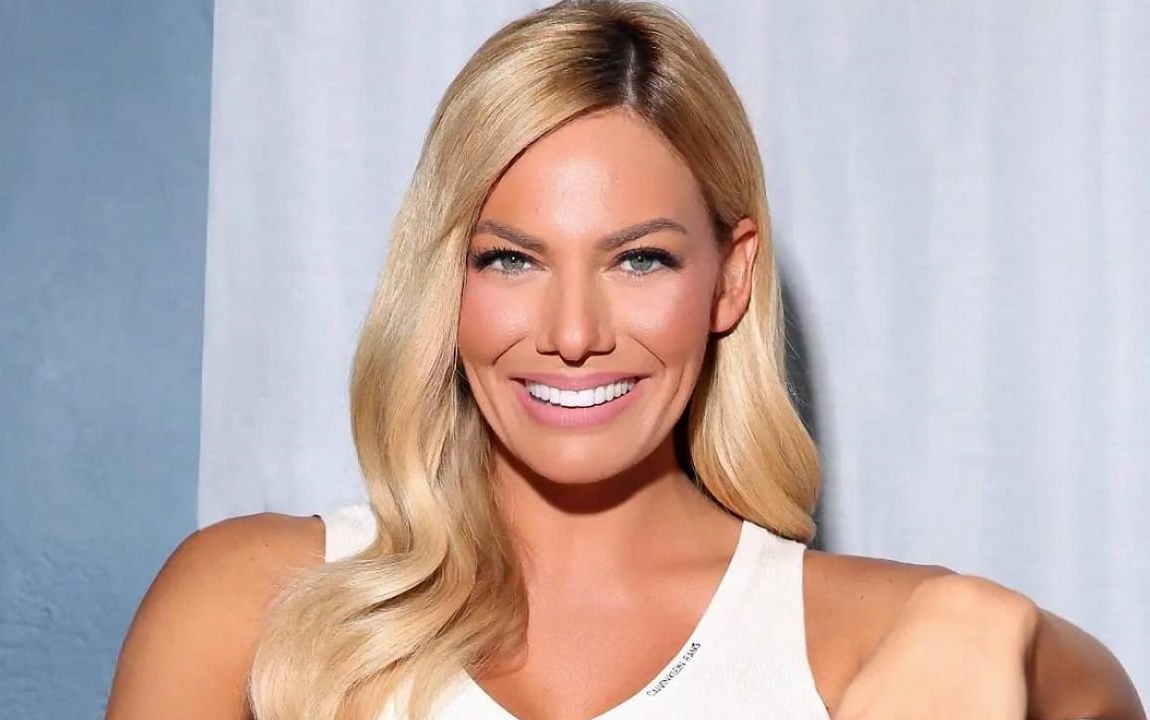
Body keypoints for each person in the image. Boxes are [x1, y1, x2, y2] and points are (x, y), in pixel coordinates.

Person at [104, 2, 1145, 719]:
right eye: (510, 258)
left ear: (731, 278)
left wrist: (993, 625)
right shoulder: (257, 603)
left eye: (639, 259)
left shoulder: (867, 637)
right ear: (444, 281)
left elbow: (1101, 698)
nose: (572, 332)